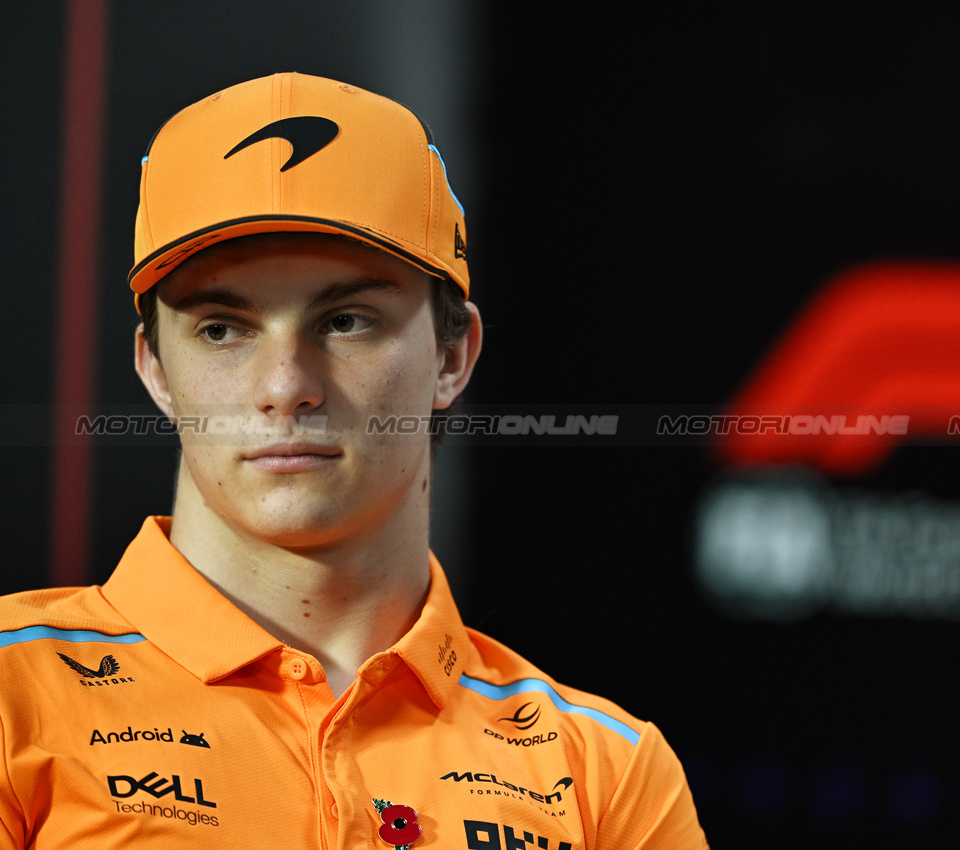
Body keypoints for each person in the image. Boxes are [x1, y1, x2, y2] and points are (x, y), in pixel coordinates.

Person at [0, 72, 707, 849]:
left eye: (345, 320)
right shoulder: (12, 695)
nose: (286, 387)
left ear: (453, 355)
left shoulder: (607, 770)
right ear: (155, 368)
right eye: (221, 329)